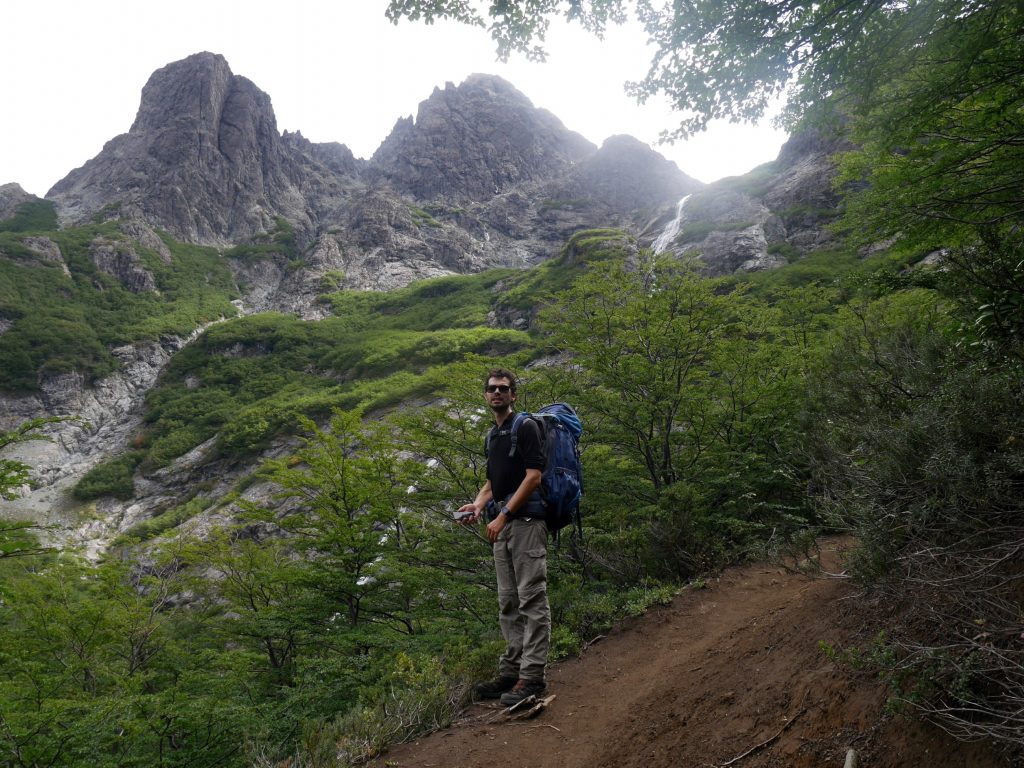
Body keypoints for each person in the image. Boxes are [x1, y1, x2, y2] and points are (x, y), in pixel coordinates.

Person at [457, 368, 550, 706]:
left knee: (531, 598)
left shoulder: (524, 427)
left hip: (526, 522)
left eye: (503, 389)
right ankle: (511, 672)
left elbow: (534, 477)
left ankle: (533, 676)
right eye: (492, 389)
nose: (496, 393)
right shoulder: (492, 436)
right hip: (503, 523)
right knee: (508, 601)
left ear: (514, 396)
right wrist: (479, 505)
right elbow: (492, 481)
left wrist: (503, 514)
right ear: (485, 395)